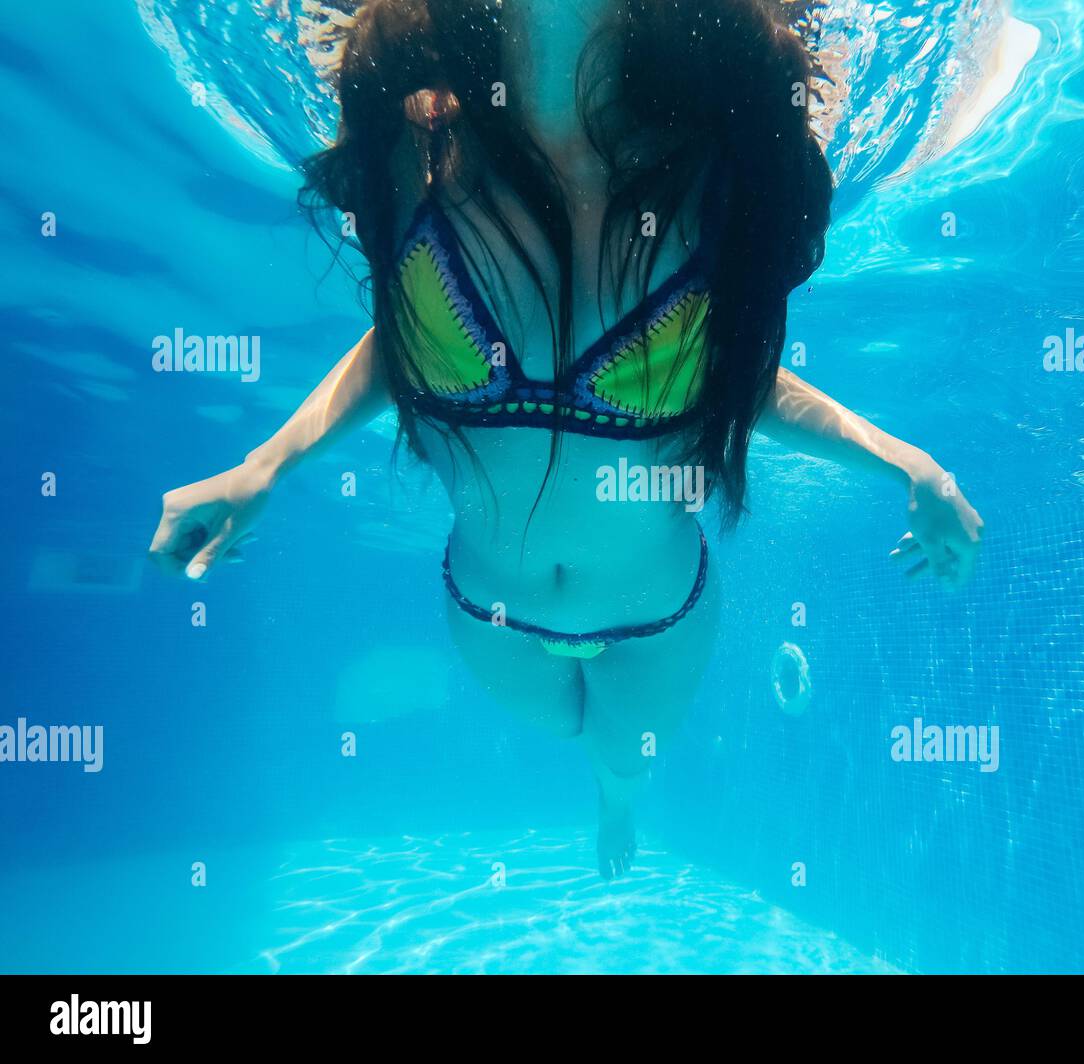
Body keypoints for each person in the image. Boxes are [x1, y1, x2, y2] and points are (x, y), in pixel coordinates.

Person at [149, 0, 984, 878]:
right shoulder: (415, 145)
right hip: (490, 615)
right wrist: (264, 466)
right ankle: (607, 781)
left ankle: (613, 807)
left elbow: (737, 380)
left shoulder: (706, 165)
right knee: (561, 724)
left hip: (657, 615)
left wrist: (912, 466)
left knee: (622, 759)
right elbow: (403, 342)